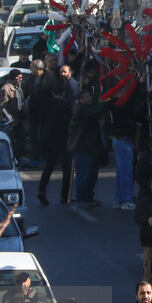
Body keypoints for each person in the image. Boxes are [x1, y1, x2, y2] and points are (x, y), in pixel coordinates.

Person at [36, 64, 76, 205]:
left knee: (48, 167)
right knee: (67, 168)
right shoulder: (64, 107)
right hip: (62, 141)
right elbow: (69, 124)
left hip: (47, 139)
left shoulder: (46, 105)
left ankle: (41, 190)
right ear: (62, 94)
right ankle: (64, 195)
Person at [68, 87, 107, 207]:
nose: (90, 98)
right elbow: (94, 112)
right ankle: (82, 198)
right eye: (87, 97)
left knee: (92, 175)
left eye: (90, 96)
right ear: (80, 100)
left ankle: (88, 197)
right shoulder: (80, 110)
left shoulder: (88, 109)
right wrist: (106, 103)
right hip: (82, 148)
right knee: (84, 175)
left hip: (92, 148)